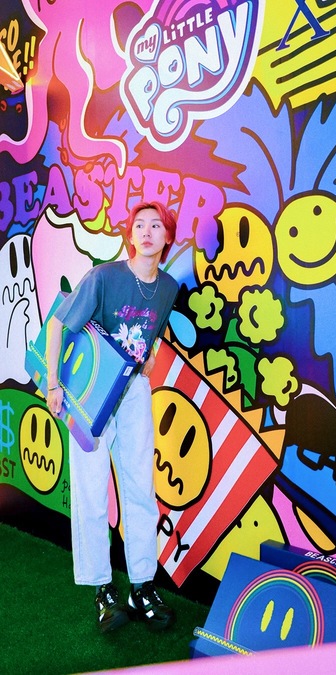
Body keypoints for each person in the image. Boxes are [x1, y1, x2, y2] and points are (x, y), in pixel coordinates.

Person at [45, 201, 179, 633]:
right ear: (130, 234)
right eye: (139, 225)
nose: (147, 232)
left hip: (133, 390)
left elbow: (154, 327)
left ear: (167, 237)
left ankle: (141, 587)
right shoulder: (104, 277)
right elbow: (58, 325)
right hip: (91, 392)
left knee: (141, 488)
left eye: (156, 225)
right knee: (91, 489)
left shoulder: (169, 287)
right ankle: (102, 590)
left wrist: (152, 352)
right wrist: (53, 384)